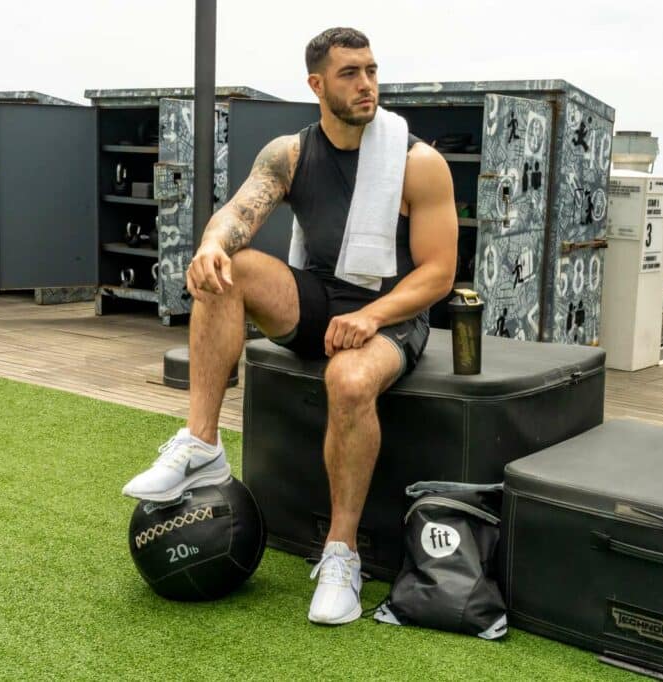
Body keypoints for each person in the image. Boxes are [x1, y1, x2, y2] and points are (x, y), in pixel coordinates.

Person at [123, 27, 457, 625]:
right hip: (319, 297)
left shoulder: (418, 163)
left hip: (392, 313)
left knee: (348, 381)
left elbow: (439, 274)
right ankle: (202, 443)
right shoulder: (290, 154)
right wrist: (210, 246)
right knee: (227, 269)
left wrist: (371, 316)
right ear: (317, 85)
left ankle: (341, 555)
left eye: (371, 70)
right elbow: (236, 213)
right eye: (350, 73)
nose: (366, 84)